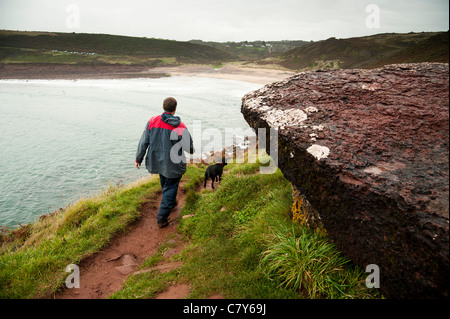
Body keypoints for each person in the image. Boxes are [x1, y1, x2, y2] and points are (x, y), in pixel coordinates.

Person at [135, 97, 194, 228]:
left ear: (163, 107)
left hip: (157, 161)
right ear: (175, 109)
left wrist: (138, 158)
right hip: (174, 163)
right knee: (171, 186)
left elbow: (144, 141)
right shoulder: (180, 126)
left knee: (165, 182)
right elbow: (189, 148)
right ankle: (162, 217)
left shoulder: (152, 121)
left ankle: (171, 203)